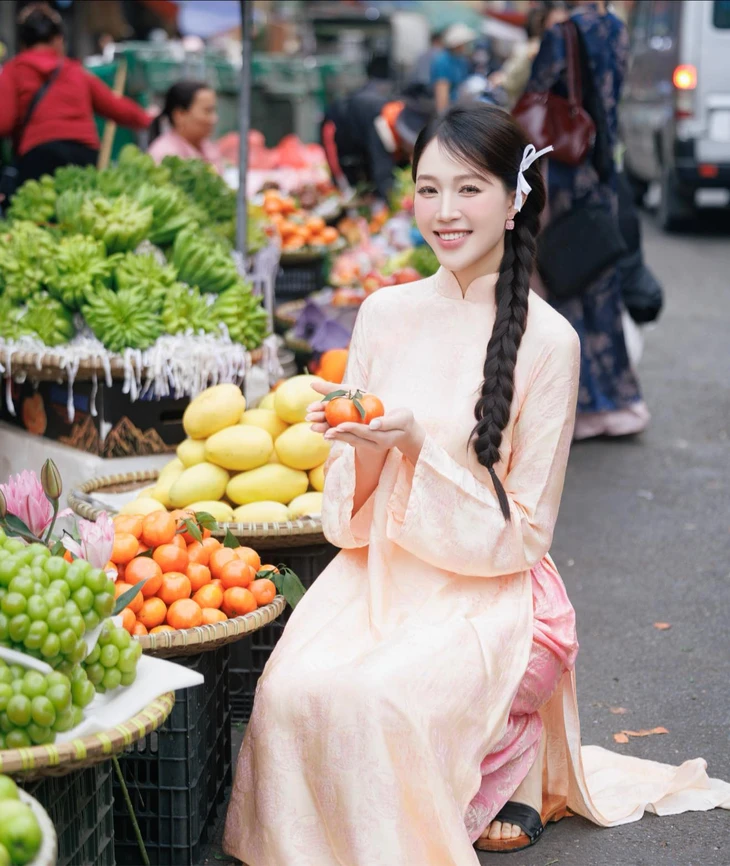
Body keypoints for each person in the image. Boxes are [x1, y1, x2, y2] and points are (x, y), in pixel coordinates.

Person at [222, 104, 730, 865]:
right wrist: (364, 451)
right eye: (429, 190)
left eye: (469, 189)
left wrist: (421, 448)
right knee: (293, 695)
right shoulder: (383, 312)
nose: (446, 212)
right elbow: (348, 526)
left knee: (378, 702)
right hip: (378, 576)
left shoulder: (550, 340)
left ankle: (510, 755)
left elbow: (525, 533)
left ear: (514, 198)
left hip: (491, 589)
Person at [523, 1, 650, 439]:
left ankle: (578, 408)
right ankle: (621, 403)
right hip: (601, 171)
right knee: (600, 284)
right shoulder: (616, 29)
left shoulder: (563, 34)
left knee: (563, 280)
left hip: (564, 173)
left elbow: (533, 97)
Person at [0, 2, 150, 186]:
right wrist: (147, 118)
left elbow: (3, 122)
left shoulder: (13, 70)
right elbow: (115, 106)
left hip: (37, 157)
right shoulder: (75, 71)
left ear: (22, 43)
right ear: (58, 40)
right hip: (83, 156)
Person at [321, 67, 428, 208]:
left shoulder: (407, 116)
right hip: (339, 129)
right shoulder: (383, 125)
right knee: (346, 185)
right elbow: (382, 172)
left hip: (363, 136)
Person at [147, 80, 223, 173]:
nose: (214, 119)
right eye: (207, 111)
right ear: (180, 115)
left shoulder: (208, 148)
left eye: (214, 111)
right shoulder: (164, 155)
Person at [431, 22, 477, 113]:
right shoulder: (443, 61)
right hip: (449, 109)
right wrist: (444, 116)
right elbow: (441, 95)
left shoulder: (461, 60)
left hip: (458, 105)